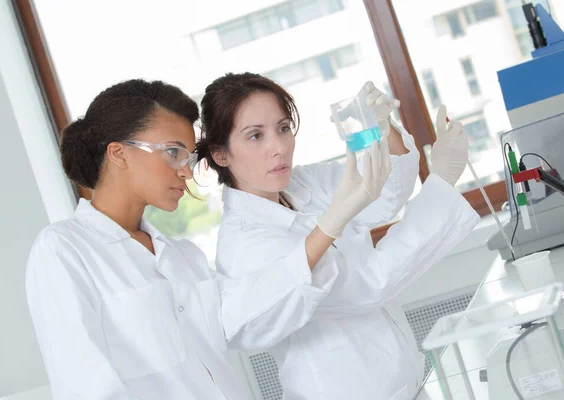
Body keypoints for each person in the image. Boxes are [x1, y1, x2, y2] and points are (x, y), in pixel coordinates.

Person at [25, 79, 341, 399]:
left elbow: (245, 315)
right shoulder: (63, 250)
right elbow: (83, 383)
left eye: (187, 157)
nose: (187, 172)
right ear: (119, 154)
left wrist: (326, 229)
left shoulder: (184, 256)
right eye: (172, 152)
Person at [195, 72, 481, 400]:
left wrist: (384, 128)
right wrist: (442, 179)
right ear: (221, 155)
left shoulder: (302, 183)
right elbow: (370, 283)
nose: (278, 147)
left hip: (405, 385)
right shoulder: (245, 244)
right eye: (255, 136)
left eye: (283, 128)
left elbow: (385, 195)